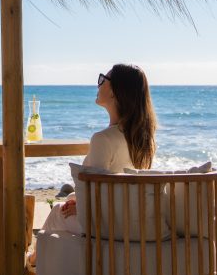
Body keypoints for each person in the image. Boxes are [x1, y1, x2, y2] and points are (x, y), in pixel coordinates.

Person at [39, 63, 157, 237]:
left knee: (58, 210)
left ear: (114, 91)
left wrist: (80, 206)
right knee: (68, 202)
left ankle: (34, 255)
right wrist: (77, 202)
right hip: (132, 222)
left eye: (103, 79)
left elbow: (94, 195)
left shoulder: (103, 139)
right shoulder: (144, 140)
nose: (98, 84)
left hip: (108, 226)